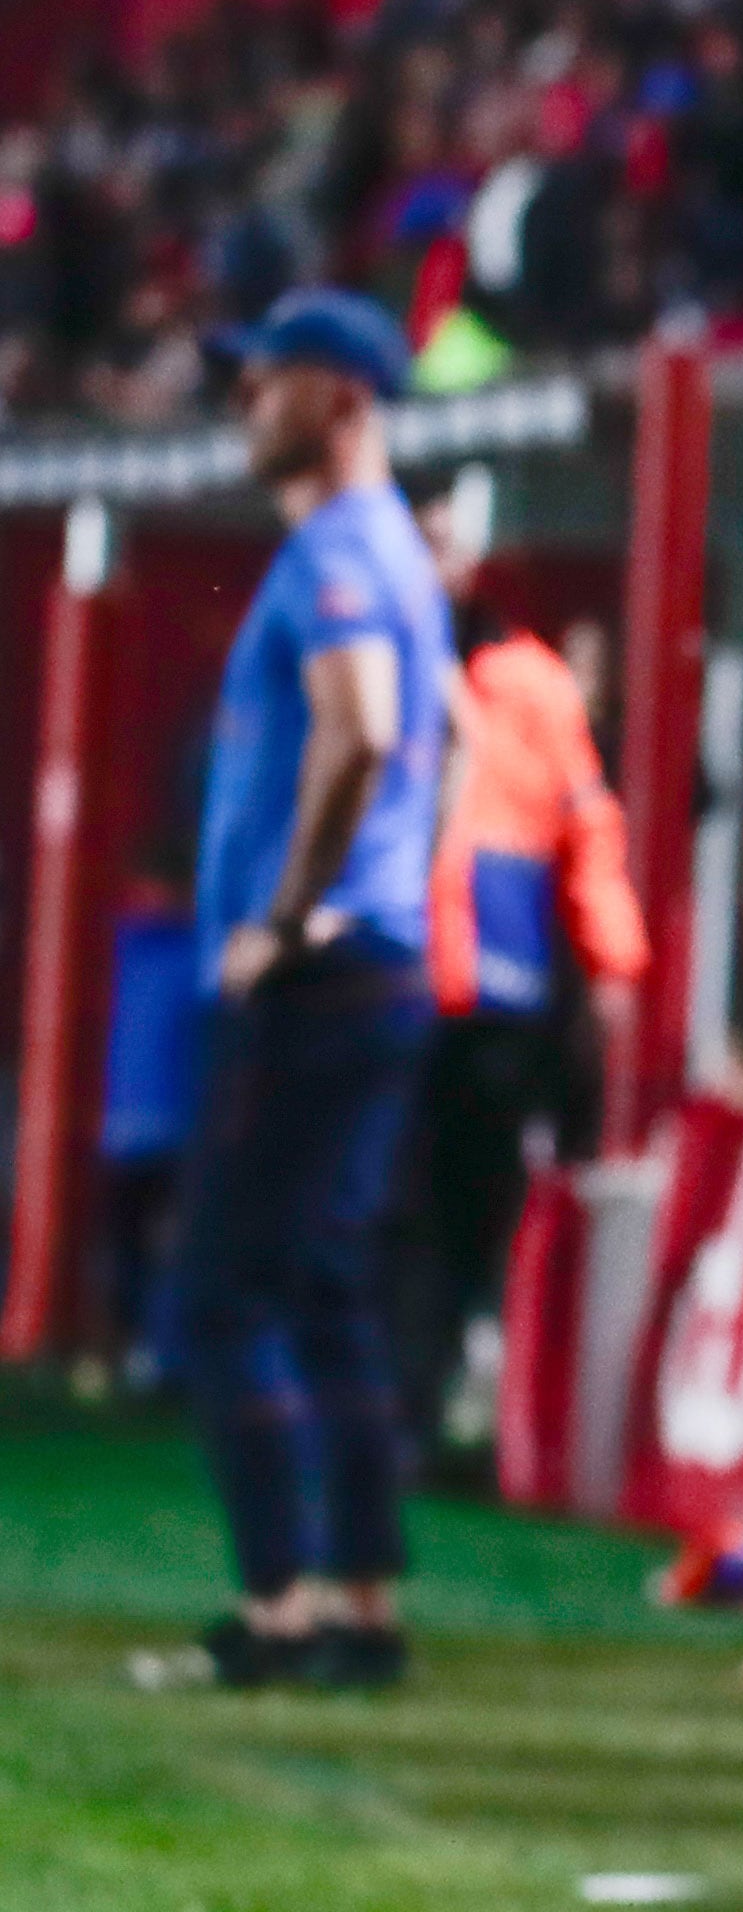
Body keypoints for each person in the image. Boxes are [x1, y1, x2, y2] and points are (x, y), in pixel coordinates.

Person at [176, 289, 456, 1687]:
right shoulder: (392, 548)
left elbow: (363, 733)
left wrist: (284, 917)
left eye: (267, 379)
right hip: (380, 955)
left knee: (224, 1291)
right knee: (328, 1285)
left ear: (343, 396)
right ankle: (359, 1607)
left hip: (323, 964)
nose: (244, 404)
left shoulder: (339, 552)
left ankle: (279, 1610)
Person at [401, 463, 648, 1471]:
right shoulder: (363, 658)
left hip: (496, 993)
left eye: (442, 540)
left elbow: (591, 830)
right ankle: (391, 1404)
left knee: (469, 1202)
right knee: (383, 1201)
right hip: (386, 978)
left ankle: (435, 1399)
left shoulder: (531, 682)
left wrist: (613, 962)